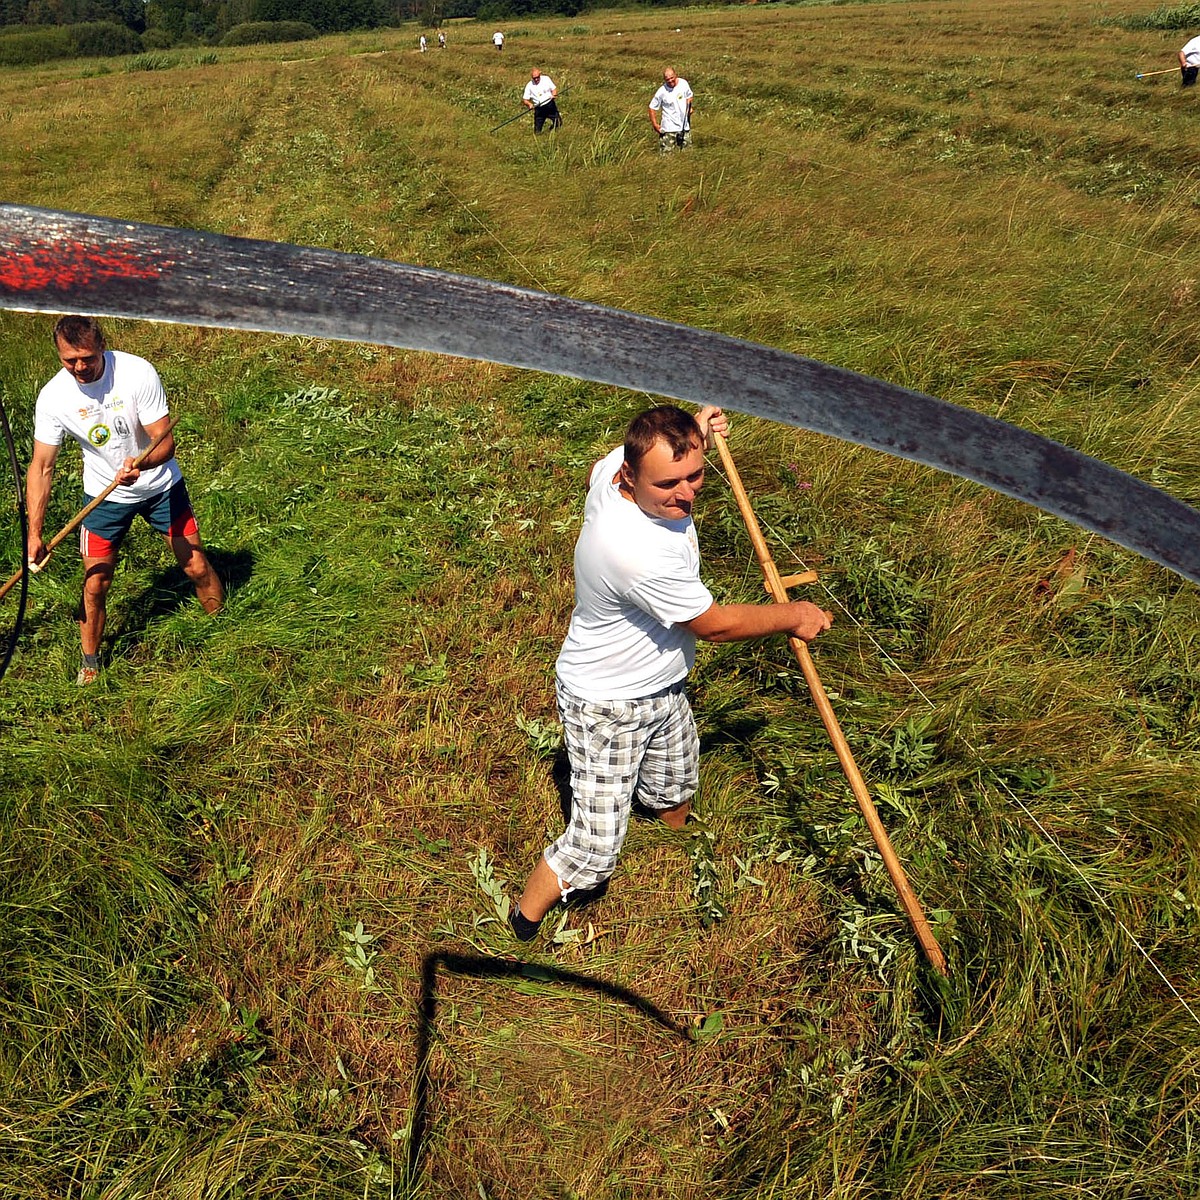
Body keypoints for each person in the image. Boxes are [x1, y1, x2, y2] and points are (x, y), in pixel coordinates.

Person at [510, 405, 832, 941]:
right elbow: (716, 626)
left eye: (696, 474)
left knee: (676, 776)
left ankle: (673, 845)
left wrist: (696, 431)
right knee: (595, 847)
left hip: (661, 685)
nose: (686, 494)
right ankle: (524, 917)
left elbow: (643, 455)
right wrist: (794, 615)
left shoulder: (615, 467)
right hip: (607, 705)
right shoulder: (635, 551)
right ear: (630, 478)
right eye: (668, 483)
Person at [26, 316, 223, 685]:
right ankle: (90, 662)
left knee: (195, 566)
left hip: (161, 487)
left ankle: (224, 629)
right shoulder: (53, 397)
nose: (80, 367)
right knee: (96, 582)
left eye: (86, 357)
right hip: (103, 498)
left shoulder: (136, 372)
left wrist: (141, 464)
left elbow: (164, 442)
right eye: (70, 360)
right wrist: (35, 534)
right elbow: (41, 467)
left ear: (102, 345)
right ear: (59, 355)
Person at [649, 66, 693, 152]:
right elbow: (652, 107)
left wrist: (689, 108)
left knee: (687, 154)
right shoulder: (662, 91)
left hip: (684, 127)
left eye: (672, 78)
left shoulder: (683, 83)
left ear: (676, 75)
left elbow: (689, 96)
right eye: (667, 79)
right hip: (668, 129)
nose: (670, 81)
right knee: (667, 156)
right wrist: (655, 124)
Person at [523, 67, 562, 133]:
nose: (536, 79)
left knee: (558, 122)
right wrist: (529, 104)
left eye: (537, 77)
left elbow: (554, 89)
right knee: (537, 131)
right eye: (534, 78)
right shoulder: (529, 85)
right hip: (539, 108)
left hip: (550, 105)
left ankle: (551, 132)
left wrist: (554, 95)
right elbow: (525, 99)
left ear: (540, 75)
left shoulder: (546, 79)